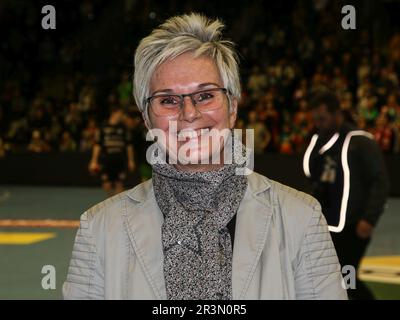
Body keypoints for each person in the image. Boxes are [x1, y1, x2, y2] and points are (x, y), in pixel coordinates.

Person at [63, 13, 347, 300]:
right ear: (147, 119)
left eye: (206, 95)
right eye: (168, 100)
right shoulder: (98, 230)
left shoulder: (301, 219)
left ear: (232, 107)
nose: (189, 114)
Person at [303, 91, 389, 300]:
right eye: (316, 119)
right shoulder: (319, 142)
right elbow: (312, 175)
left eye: (322, 118)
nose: (319, 124)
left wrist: (369, 219)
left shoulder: (359, 142)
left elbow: (380, 181)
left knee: (346, 278)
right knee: (333, 278)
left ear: (337, 114)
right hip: (327, 223)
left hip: (353, 224)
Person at [89, 107, 135, 196]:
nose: (122, 116)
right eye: (120, 114)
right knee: (107, 184)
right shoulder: (103, 127)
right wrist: (93, 161)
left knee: (119, 183)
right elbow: (97, 145)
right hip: (106, 160)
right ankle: (111, 202)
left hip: (120, 160)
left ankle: (117, 206)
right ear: (114, 113)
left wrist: (131, 161)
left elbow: (129, 146)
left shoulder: (124, 128)